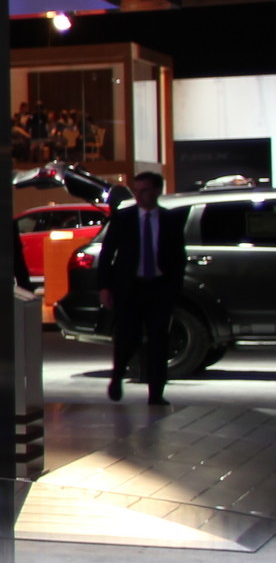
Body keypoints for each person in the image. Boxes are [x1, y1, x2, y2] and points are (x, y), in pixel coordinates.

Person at [95, 170, 187, 405]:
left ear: (157, 191)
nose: (140, 195)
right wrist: (105, 287)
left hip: (158, 288)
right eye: (137, 190)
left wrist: (173, 287)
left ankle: (156, 392)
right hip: (129, 288)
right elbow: (107, 254)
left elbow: (178, 257)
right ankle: (117, 377)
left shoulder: (170, 220)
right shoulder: (123, 218)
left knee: (159, 339)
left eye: (145, 190)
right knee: (127, 337)